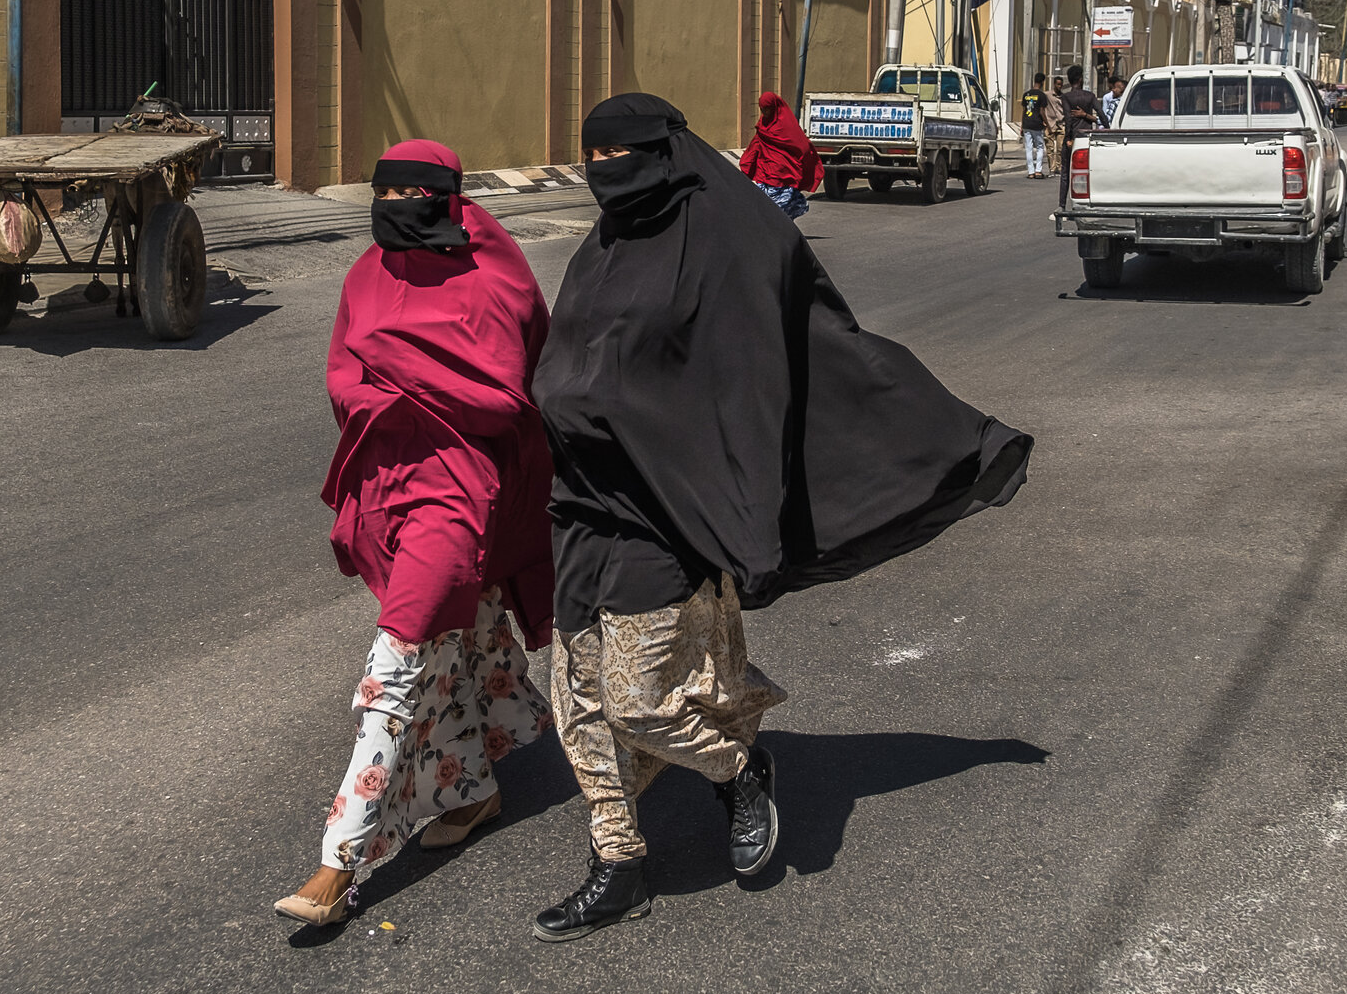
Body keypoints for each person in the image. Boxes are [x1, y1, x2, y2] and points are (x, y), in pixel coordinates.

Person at [528, 93, 1032, 942]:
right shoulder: (603, 246)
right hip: (582, 507)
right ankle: (617, 865)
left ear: (665, 153)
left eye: (622, 157)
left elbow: (775, 367)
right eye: (593, 159)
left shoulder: (728, 237)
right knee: (576, 706)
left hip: (670, 513)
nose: (605, 175)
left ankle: (739, 766)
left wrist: (742, 497)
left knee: (639, 702)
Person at [274, 140, 557, 928]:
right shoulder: (365, 274)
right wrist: (382, 398)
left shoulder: (491, 278)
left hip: (462, 489)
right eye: (383, 192)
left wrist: (410, 384)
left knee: (398, 653)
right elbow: (343, 372)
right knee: (464, 635)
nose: (395, 208)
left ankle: (339, 859)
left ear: (448, 196)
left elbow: (511, 392)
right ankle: (476, 793)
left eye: (414, 194)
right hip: (389, 482)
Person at [738, 89, 823, 218]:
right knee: (764, 208)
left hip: (784, 176)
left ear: (775, 108)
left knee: (780, 211)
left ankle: (781, 231)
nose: (765, 113)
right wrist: (746, 165)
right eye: (762, 109)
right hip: (765, 175)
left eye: (768, 109)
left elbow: (802, 146)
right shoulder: (763, 125)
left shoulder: (787, 126)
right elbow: (755, 146)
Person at [1057, 64, 1104, 208]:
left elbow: (1068, 119)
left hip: (1073, 138)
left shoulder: (1066, 97)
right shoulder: (1090, 96)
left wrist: (1069, 138)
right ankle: (1085, 204)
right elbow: (1102, 115)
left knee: (1066, 172)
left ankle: (1062, 205)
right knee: (1087, 172)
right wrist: (1091, 118)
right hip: (1087, 138)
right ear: (1080, 79)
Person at [1020, 72, 1049, 179]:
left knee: (1029, 148)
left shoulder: (1026, 94)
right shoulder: (1042, 95)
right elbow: (1042, 111)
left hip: (1027, 123)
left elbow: (1023, 111)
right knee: (1040, 147)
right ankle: (1038, 171)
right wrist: (1046, 123)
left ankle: (1030, 172)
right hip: (1037, 123)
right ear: (1042, 82)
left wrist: (1022, 126)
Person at [1044, 74, 1066, 176]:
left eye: (1061, 85)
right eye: (1057, 84)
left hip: (1061, 124)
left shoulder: (1064, 97)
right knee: (1050, 148)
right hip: (1050, 124)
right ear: (1054, 84)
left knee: (1060, 148)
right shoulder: (1047, 95)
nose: (1059, 86)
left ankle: (1059, 167)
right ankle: (1052, 168)